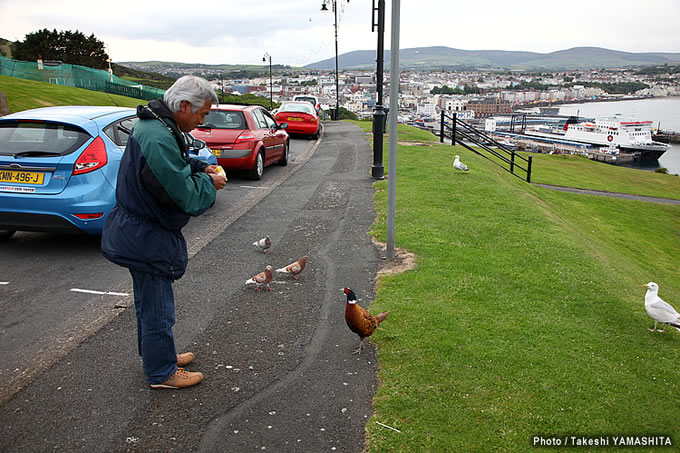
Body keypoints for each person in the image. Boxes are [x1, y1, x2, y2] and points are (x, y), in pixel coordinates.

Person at [101, 75, 226, 389]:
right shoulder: (158, 134)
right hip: (147, 235)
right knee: (158, 307)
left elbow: (173, 167)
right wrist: (210, 184)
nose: (203, 119)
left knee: (147, 302)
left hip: (139, 231)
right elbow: (180, 194)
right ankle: (162, 372)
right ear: (183, 106)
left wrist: (200, 168)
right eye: (202, 113)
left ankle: (158, 355)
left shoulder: (157, 126)